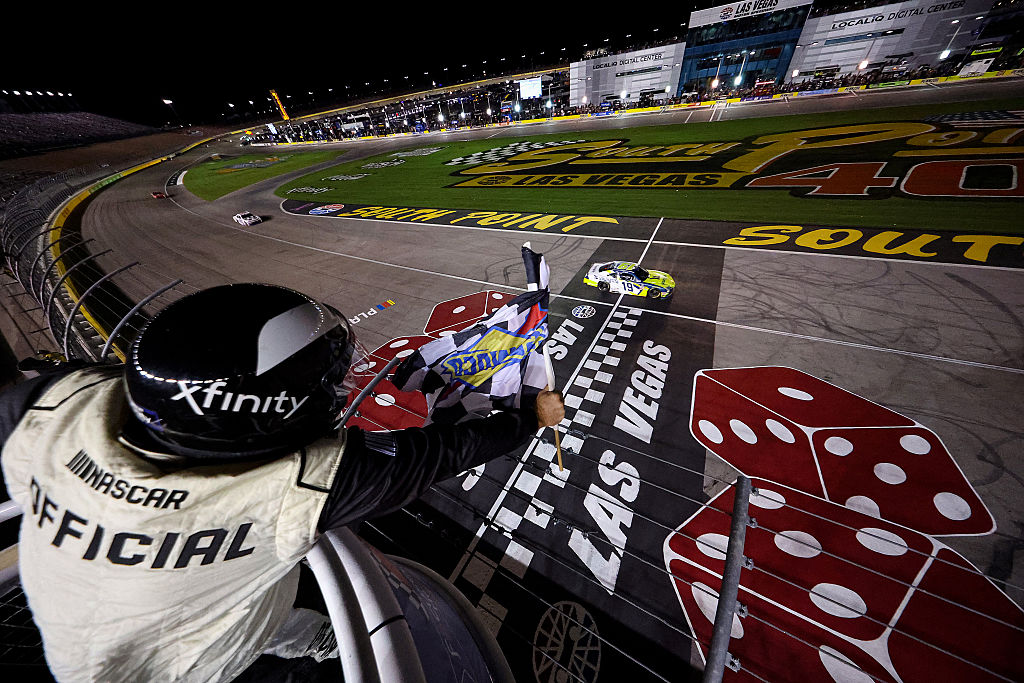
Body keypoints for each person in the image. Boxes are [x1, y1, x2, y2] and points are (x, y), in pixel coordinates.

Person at [0, 283, 564, 683]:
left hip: (70, 623)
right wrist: (530, 416)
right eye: (327, 385)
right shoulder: (297, 486)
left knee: (256, 610)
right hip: (185, 667)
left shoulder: (57, 400)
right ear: (264, 412)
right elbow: (442, 451)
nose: (339, 391)